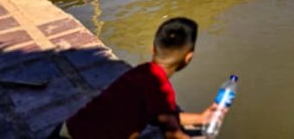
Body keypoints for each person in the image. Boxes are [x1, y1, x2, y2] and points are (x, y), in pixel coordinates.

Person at [50, 17, 220, 139]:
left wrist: (200, 119)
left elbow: (159, 115)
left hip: (66, 129)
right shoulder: (161, 90)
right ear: (188, 57)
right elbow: (172, 133)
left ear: (153, 49)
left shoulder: (141, 72)